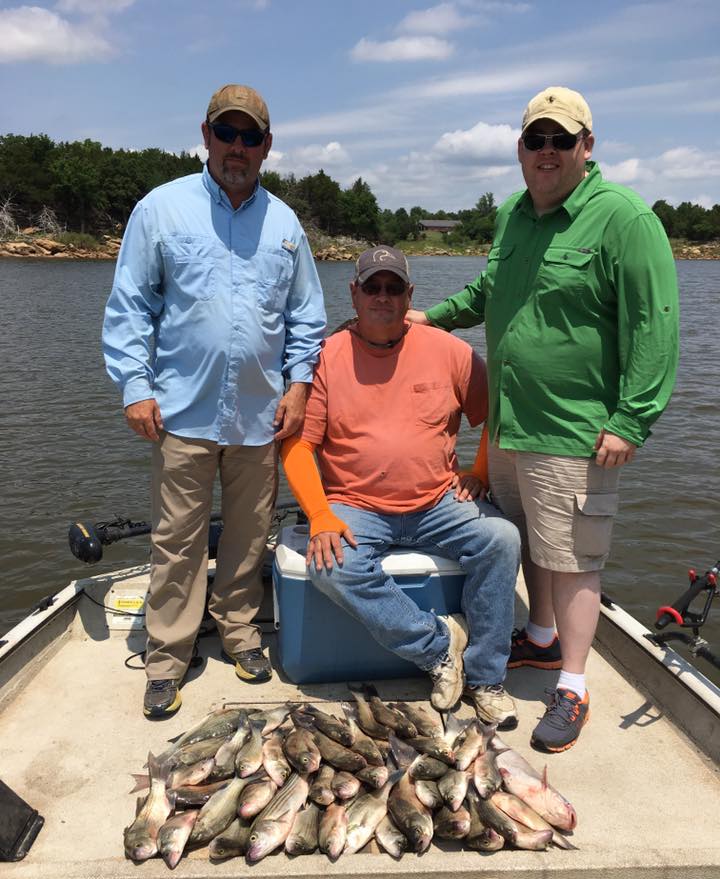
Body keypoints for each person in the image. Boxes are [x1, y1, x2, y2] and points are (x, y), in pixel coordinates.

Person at [407, 87, 679, 751]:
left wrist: (631, 419)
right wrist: (431, 318)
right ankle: (542, 638)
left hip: (577, 431)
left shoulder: (624, 219)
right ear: (521, 150)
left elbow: (657, 324)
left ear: (588, 146)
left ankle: (574, 686)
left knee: (578, 559)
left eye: (563, 140)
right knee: (530, 541)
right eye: (537, 140)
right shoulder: (512, 215)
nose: (548, 152)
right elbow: (487, 291)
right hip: (509, 425)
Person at [103, 84, 326, 718]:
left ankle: (240, 632)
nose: (237, 147)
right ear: (205, 136)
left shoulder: (284, 224)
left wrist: (301, 386)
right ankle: (168, 655)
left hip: (261, 414)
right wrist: (135, 386)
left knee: (250, 534)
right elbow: (130, 307)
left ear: (266, 146)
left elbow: (307, 316)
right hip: (181, 411)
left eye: (250, 136)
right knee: (176, 538)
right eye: (226, 133)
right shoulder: (160, 208)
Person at [281, 246, 521, 725]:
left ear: (410, 295)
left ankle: (487, 678)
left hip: (438, 500)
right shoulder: (326, 357)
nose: (383, 297)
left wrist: (480, 473)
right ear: (354, 294)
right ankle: (437, 649)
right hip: (355, 503)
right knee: (332, 566)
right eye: (372, 287)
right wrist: (321, 515)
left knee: (502, 539)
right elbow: (297, 446)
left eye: (394, 288)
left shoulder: (449, 350)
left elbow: (498, 415)